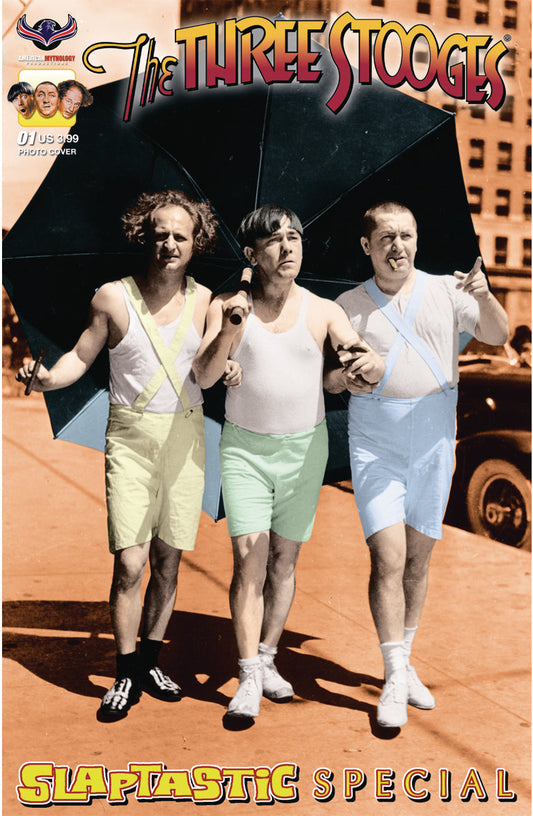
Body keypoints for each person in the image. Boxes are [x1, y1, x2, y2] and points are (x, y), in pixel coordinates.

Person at [16, 190, 241, 722]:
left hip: (186, 437)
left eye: (180, 236)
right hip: (131, 437)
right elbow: (79, 357)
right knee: (131, 563)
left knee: (167, 561)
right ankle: (124, 671)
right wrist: (47, 378)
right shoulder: (112, 298)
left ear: (197, 242)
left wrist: (230, 359)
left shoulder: (209, 302)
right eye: (160, 234)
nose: (170, 244)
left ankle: (151, 662)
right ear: (145, 236)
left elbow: (211, 370)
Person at [193, 204, 385, 721]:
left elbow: (351, 357)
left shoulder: (323, 310)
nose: (288, 247)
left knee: (283, 562)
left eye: (294, 237)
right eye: (275, 239)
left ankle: (268, 657)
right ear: (251, 254)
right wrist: (229, 331)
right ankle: (247, 675)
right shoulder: (225, 305)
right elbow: (205, 377)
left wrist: (363, 365)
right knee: (249, 559)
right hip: (245, 450)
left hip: (304, 450)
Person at [332, 201, 509, 729]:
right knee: (387, 557)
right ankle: (392, 677)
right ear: (366, 245)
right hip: (375, 441)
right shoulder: (347, 305)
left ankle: (404, 662)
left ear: (416, 239)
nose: (397, 246)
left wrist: (485, 296)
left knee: (417, 561)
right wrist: (347, 378)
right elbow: (331, 378)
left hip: (433, 439)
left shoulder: (448, 291)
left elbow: (498, 334)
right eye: (386, 237)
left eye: (406, 235)